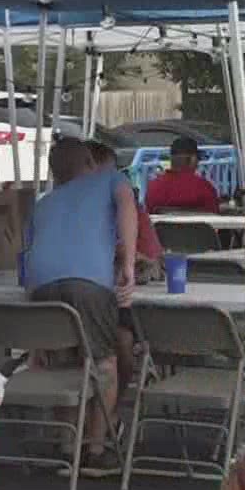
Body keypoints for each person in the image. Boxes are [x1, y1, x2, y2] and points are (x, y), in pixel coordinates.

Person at [23, 137, 138, 477]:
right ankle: (97, 449)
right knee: (103, 363)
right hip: (88, 283)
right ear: (90, 161)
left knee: (63, 358)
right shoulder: (111, 180)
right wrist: (128, 261)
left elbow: (27, 251)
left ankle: (67, 444)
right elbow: (127, 206)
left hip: (41, 285)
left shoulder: (44, 203)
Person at [89, 139, 161, 393]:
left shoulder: (132, 212)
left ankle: (114, 408)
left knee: (121, 339)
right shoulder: (71, 211)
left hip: (123, 308)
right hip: (85, 305)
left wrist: (127, 257)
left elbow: (152, 262)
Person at [144, 135, 222, 214]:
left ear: (171, 159)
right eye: (198, 158)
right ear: (193, 159)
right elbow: (214, 214)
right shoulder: (204, 187)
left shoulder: (154, 187)